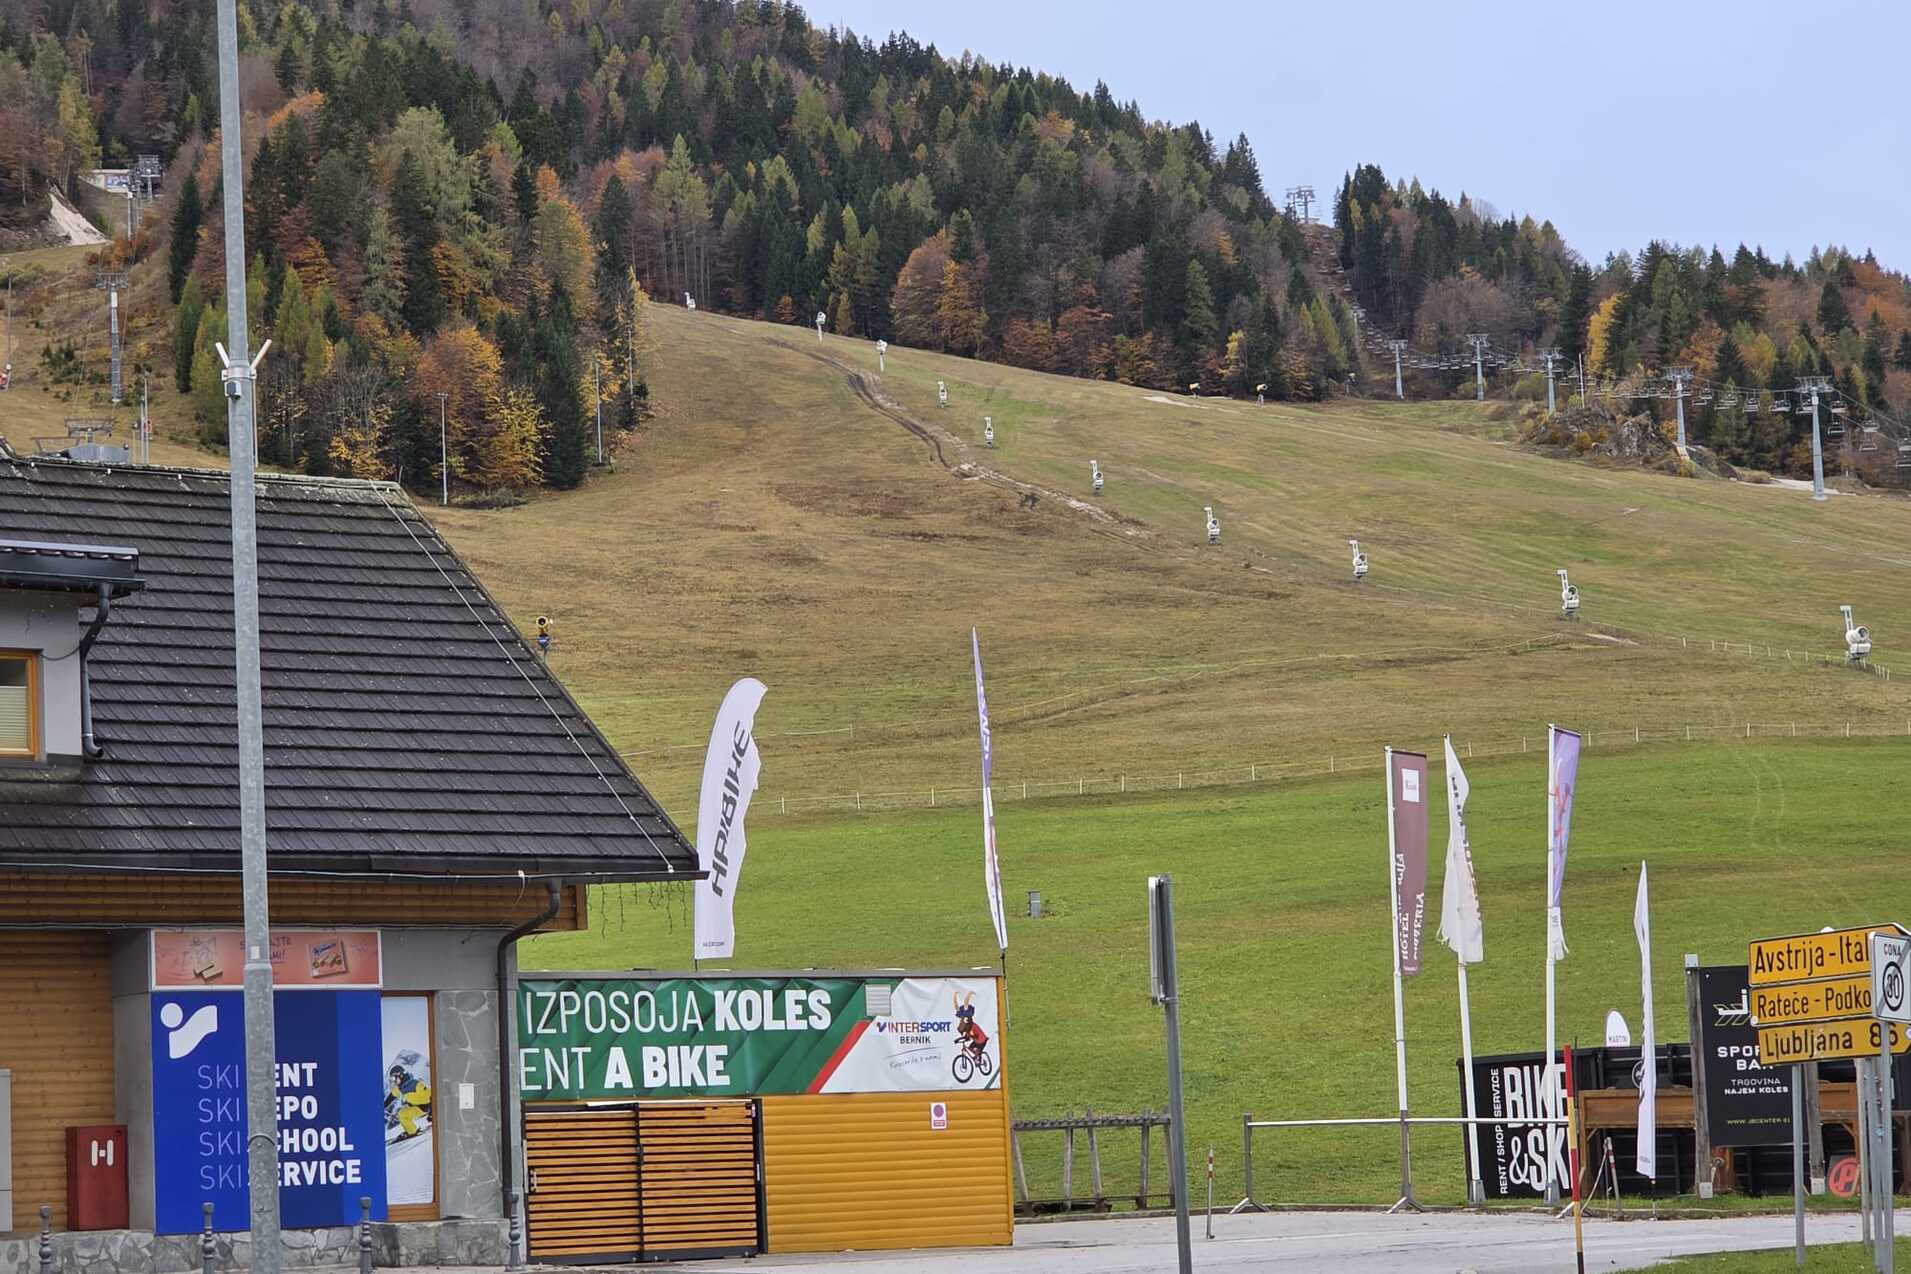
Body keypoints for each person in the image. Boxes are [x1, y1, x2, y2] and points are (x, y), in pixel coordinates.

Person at [387, 1063, 432, 1139]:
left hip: (425, 1107)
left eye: (394, 1079)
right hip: (415, 1107)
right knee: (402, 1114)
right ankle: (411, 1130)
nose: (393, 1081)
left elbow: (430, 1096)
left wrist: (431, 1112)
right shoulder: (400, 1088)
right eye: (392, 1079)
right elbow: (392, 1096)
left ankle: (412, 1132)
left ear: (400, 1075)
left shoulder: (415, 1084)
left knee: (404, 1114)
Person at [954, 992, 988, 1059]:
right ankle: (977, 1056)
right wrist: (958, 1039)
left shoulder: (972, 1027)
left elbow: (974, 1036)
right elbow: (968, 1036)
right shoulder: (968, 1028)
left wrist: (969, 1037)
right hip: (977, 1041)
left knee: (976, 1050)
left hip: (982, 1041)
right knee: (970, 1048)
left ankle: (979, 1058)